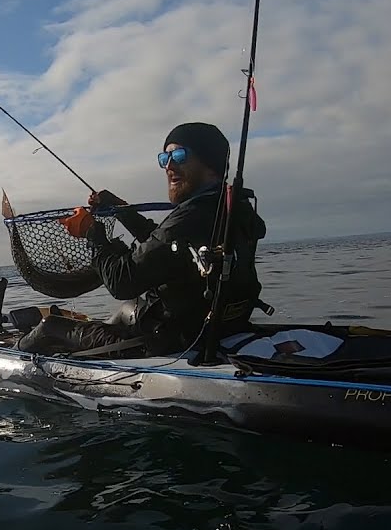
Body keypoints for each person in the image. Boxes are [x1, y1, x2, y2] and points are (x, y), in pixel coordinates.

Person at [15, 121, 267, 358]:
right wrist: (122, 210)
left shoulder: (190, 216)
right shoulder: (234, 208)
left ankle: (13, 354)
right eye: (164, 158)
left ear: (209, 162)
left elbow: (121, 282)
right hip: (219, 327)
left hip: (164, 343)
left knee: (50, 326)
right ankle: (92, 347)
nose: (169, 166)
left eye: (179, 156)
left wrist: (92, 233)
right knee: (127, 309)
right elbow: (163, 246)